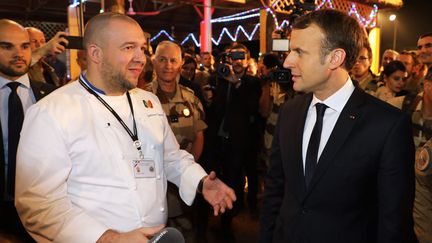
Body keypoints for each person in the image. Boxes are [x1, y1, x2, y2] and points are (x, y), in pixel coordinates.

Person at [15, 13, 235, 243]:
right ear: (95, 53)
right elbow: (38, 203)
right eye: (129, 48)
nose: (142, 58)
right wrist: (107, 238)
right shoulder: (51, 112)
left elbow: (170, 157)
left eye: (142, 48)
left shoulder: (148, 101)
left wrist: (201, 182)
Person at [260, 9, 415, 243]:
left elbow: (393, 222)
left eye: (299, 52)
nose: (288, 61)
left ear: (335, 58)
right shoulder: (289, 112)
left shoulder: (388, 125)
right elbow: (275, 192)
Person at [0, 19, 56, 242]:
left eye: (25, 46)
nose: (19, 53)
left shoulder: (52, 96)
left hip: (45, 209)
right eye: (6, 46)